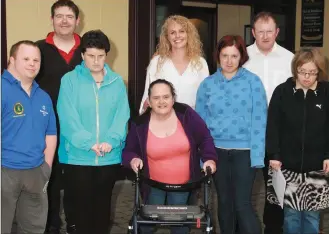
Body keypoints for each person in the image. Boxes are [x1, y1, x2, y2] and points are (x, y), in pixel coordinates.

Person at [56, 30, 130, 234]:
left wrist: (111, 141)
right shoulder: (69, 80)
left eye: (101, 56)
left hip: (108, 157)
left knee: (101, 211)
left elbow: (122, 116)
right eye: (91, 56)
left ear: (107, 55)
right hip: (78, 157)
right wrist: (88, 142)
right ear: (82, 55)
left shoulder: (117, 84)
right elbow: (67, 115)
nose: (96, 61)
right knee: (79, 213)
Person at [122, 79, 217, 234]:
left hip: (183, 184)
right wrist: (133, 159)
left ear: (173, 99)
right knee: (147, 223)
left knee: (179, 224)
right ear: (149, 102)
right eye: (156, 98)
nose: (161, 101)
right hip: (153, 184)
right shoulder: (139, 124)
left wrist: (209, 158)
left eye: (166, 97)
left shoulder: (186, 114)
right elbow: (128, 151)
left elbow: (205, 138)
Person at [196, 35, 267, 234]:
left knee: (242, 205)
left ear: (241, 57)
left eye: (234, 56)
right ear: (218, 56)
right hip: (216, 152)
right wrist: (204, 156)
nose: (229, 61)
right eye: (224, 55)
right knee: (224, 203)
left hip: (244, 152)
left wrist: (257, 155)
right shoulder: (207, 84)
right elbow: (200, 124)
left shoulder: (253, 82)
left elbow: (260, 121)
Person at [266, 48, 329, 234]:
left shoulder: (328, 92)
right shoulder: (282, 91)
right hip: (287, 166)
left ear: (319, 71)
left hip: (317, 166)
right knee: (291, 215)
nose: (307, 77)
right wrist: (274, 154)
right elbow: (273, 125)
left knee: (311, 216)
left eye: (312, 72)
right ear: (295, 70)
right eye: (302, 72)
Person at [243, 11, 294, 234]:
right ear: (253, 32)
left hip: (279, 134)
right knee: (243, 187)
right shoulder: (241, 57)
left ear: (277, 32)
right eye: (260, 32)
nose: (265, 36)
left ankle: (273, 228)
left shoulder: (290, 59)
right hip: (246, 132)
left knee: (276, 186)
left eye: (269, 31)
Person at [35, 0, 82, 233]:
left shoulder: (88, 50)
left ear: (77, 20)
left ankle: (74, 223)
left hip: (79, 128)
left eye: (69, 16)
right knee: (48, 178)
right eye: (59, 16)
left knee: (76, 178)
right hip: (46, 126)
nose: (64, 21)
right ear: (52, 19)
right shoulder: (38, 50)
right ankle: (51, 224)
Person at [1, 40, 57, 234]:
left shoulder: (43, 96)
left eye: (36, 60)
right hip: (5, 171)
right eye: (26, 59)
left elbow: (50, 133)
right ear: (12, 60)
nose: (32, 64)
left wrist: (46, 168)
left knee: (34, 228)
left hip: (36, 172)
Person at [139, 15, 209, 114]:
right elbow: (147, 96)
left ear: (188, 34)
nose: (177, 36)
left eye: (182, 31)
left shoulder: (200, 63)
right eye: (172, 32)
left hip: (191, 122)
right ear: (167, 37)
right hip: (161, 121)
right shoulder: (157, 62)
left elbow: (205, 98)